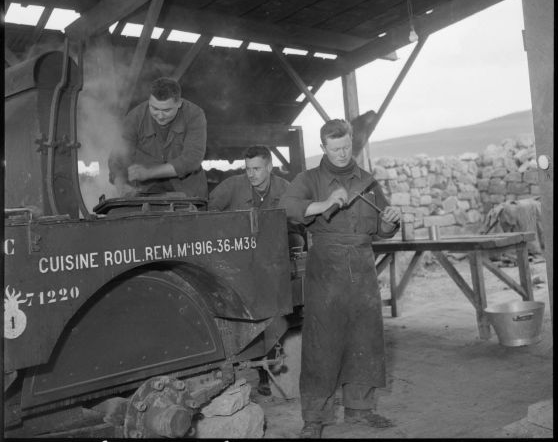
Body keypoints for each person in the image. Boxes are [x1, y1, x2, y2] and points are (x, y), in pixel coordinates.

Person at [280, 119, 400, 439]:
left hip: (362, 266)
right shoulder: (309, 179)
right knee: (322, 342)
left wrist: (390, 221)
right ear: (323, 148)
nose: (342, 153)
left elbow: (381, 229)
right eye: (335, 149)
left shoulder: (368, 182)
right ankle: (315, 418)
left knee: (365, 338)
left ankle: (361, 410)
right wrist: (325, 203)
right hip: (325, 269)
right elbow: (287, 207)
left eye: (346, 146)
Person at [208, 144, 304, 396]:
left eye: (257, 169)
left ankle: (265, 370)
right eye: (248, 169)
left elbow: (300, 223)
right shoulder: (231, 187)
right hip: (238, 258)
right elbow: (208, 215)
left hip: (273, 258)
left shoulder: (285, 189)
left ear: (270, 167)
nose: (252, 174)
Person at [108, 77, 207, 199]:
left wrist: (148, 173)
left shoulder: (194, 115)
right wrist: (121, 184)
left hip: (188, 192)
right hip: (144, 192)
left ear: (179, 103)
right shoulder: (135, 117)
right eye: (154, 108)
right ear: (149, 101)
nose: (160, 116)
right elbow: (117, 158)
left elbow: (192, 159)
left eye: (167, 110)